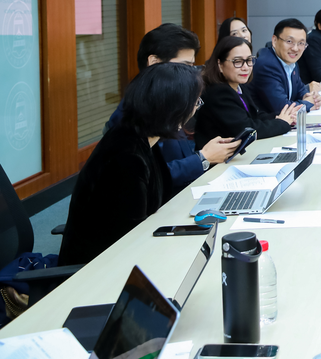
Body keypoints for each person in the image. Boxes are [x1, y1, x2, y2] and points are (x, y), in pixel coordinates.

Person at [59, 63, 203, 265]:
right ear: (175, 108)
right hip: (99, 268)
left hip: (130, 250)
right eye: (196, 103)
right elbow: (129, 241)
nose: (196, 109)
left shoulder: (143, 137)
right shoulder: (127, 157)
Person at [106, 24, 239, 194]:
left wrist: (207, 153)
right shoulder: (132, 114)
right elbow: (148, 178)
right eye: (184, 66)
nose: (190, 74)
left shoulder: (170, 102)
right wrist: (203, 158)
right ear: (154, 62)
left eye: (192, 67)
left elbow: (180, 157)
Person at [194, 36, 300, 150]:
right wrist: (282, 123)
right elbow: (247, 130)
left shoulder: (239, 85)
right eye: (238, 62)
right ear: (220, 65)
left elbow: (254, 115)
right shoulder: (218, 92)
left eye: (249, 60)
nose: (245, 68)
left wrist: (280, 116)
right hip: (219, 159)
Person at [250, 18, 321, 114]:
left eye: (301, 43)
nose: (295, 48)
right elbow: (282, 108)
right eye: (289, 41)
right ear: (275, 41)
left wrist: (309, 96)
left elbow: (300, 90)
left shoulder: (290, 61)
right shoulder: (267, 66)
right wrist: (308, 103)